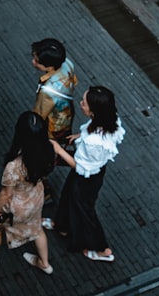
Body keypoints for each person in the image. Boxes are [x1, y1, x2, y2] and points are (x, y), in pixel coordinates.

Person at [0, 111, 56, 274]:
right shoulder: (49, 149)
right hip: (35, 198)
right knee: (36, 229)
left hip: (15, 207)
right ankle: (44, 263)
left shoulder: (14, 167)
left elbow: (6, 194)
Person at [47, 86, 125, 263]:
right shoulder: (109, 121)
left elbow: (79, 165)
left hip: (87, 175)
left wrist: (58, 149)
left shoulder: (93, 142)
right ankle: (62, 225)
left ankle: (102, 248)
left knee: (84, 209)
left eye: (84, 103)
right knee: (69, 195)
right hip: (93, 171)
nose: (81, 104)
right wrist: (79, 136)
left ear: (94, 112)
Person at [31, 38, 80, 146]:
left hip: (55, 124)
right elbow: (74, 82)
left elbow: (40, 115)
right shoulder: (67, 63)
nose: (33, 62)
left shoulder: (48, 92)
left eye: (37, 61)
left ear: (49, 66)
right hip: (66, 112)